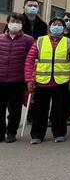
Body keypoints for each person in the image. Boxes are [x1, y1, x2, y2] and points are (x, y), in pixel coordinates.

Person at [25, 17, 70, 144]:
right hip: (42, 81)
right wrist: (28, 79)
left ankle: (59, 133)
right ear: (50, 27)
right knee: (39, 110)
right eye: (54, 24)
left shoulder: (69, 42)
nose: (57, 26)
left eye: (60, 24)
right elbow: (29, 61)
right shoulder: (39, 41)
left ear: (63, 27)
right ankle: (37, 135)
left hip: (61, 81)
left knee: (59, 110)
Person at [0, 13, 34, 143]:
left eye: (18, 21)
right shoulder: (1, 38)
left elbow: (31, 61)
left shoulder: (28, 40)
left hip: (17, 80)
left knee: (14, 110)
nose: (15, 23)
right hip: (1, 79)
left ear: (22, 24)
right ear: (8, 22)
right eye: (13, 21)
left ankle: (11, 132)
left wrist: (29, 79)